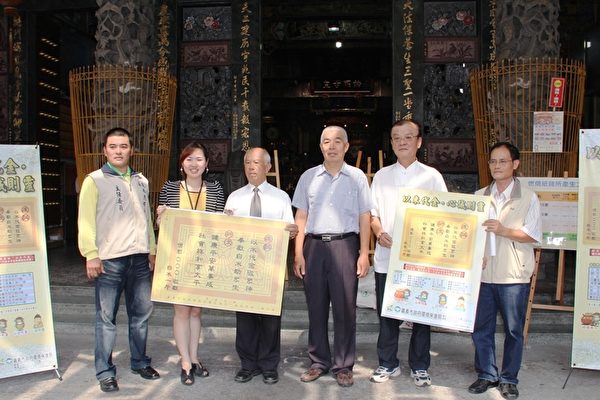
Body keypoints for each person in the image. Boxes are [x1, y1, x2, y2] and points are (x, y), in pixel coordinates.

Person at [78, 127, 159, 393]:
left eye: (123, 146)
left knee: (141, 314)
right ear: (104, 150)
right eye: (113, 146)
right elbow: (86, 221)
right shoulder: (94, 180)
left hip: (139, 258)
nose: (118, 151)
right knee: (106, 318)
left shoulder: (141, 180)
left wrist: (152, 249)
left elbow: (146, 218)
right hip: (110, 260)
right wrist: (91, 254)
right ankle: (105, 371)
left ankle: (140, 361)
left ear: (132, 150)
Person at [369, 119, 447, 386]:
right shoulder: (381, 176)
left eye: (408, 137)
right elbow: (373, 214)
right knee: (387, 314)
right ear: (391, 143)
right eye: (396, 137)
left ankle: (420, 365)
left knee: (421, 314)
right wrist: (379, 232)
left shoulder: (432, 177)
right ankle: (387, 363)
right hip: (387, 258)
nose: (402, 142)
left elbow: (444, 215)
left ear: (419, 142)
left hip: (421, 260)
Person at [292, 125, 372, 388]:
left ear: (347, 147)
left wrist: (363, 253)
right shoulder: (308, 177)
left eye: (338, 141)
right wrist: (298, 253)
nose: (332, 145)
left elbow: (364, 216)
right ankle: (318, 361)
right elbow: (301, 216)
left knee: (345, 308)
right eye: (326, 141)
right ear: (320, 147)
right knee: (315, 307)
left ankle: (343, 365)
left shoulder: (357, 177)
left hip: (344, 245)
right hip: (314, 247)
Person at [468, 142, 541, 399]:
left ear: (515, 164)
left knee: (513, 330)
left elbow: (533, 235)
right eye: (493, 161)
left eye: (503, 161)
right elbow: (470, 234)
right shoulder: (479, 196)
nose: (496, 166)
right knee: (481, 329)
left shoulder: (528, 197)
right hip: (484, 275)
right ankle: (487, 374)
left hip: (513, 275)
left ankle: (509, 378)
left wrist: (503, 230)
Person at [224, 147, 298, 385]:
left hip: (270, 268)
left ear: (268, 167)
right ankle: (247, 364)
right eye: (247, 163)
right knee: (245, 318)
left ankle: (268, 365)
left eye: (256, 163)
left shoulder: (281, 197)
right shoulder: (234, 197)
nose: (251, 167)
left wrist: (292, 231)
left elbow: (289, 229)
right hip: (243, 266)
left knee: (270, 320)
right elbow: (226, 233)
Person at [156, 141, 225, 385]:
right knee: (181, 310)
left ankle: (195, 357)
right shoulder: (170, 188)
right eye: (188, 159)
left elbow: (220, 225)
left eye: (199, 159)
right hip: (177, 258)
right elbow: (162, 226)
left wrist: (226, 219)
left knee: (196, 311)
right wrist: (160, 217)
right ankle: (185, 361)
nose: (193, 164)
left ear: (207, 164)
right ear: (181, 163)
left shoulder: (216, 189)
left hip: (204, 259)